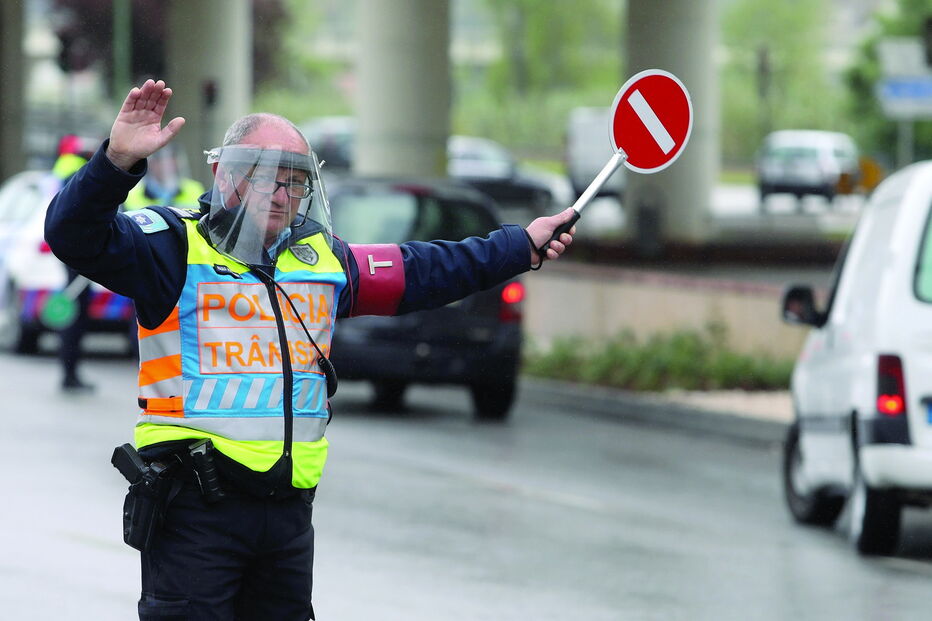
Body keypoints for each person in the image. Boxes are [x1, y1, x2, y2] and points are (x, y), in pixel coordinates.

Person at [44, 79, 576, 621]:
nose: (280, 194)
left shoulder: (321, 261)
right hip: (196, 514)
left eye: (294, 182)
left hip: (287, 518)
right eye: (267, 178)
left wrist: (520, 246)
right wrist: (115, 163)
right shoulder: (170, 247)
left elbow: (424, 270)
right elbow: (72, 233)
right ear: (225, 176)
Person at [49, 134, 99, 391]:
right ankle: (69, 374)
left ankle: (70, 373)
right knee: (75, 314)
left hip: (73, 246)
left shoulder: (65, 168)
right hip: (77, 248)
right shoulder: (75, 170)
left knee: (77, 310)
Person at [123, 142, 205, 210]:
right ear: (151, 163)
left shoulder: (194, 188)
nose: (166, 165)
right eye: (160, 159)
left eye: (171, 158)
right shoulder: (133, 193)